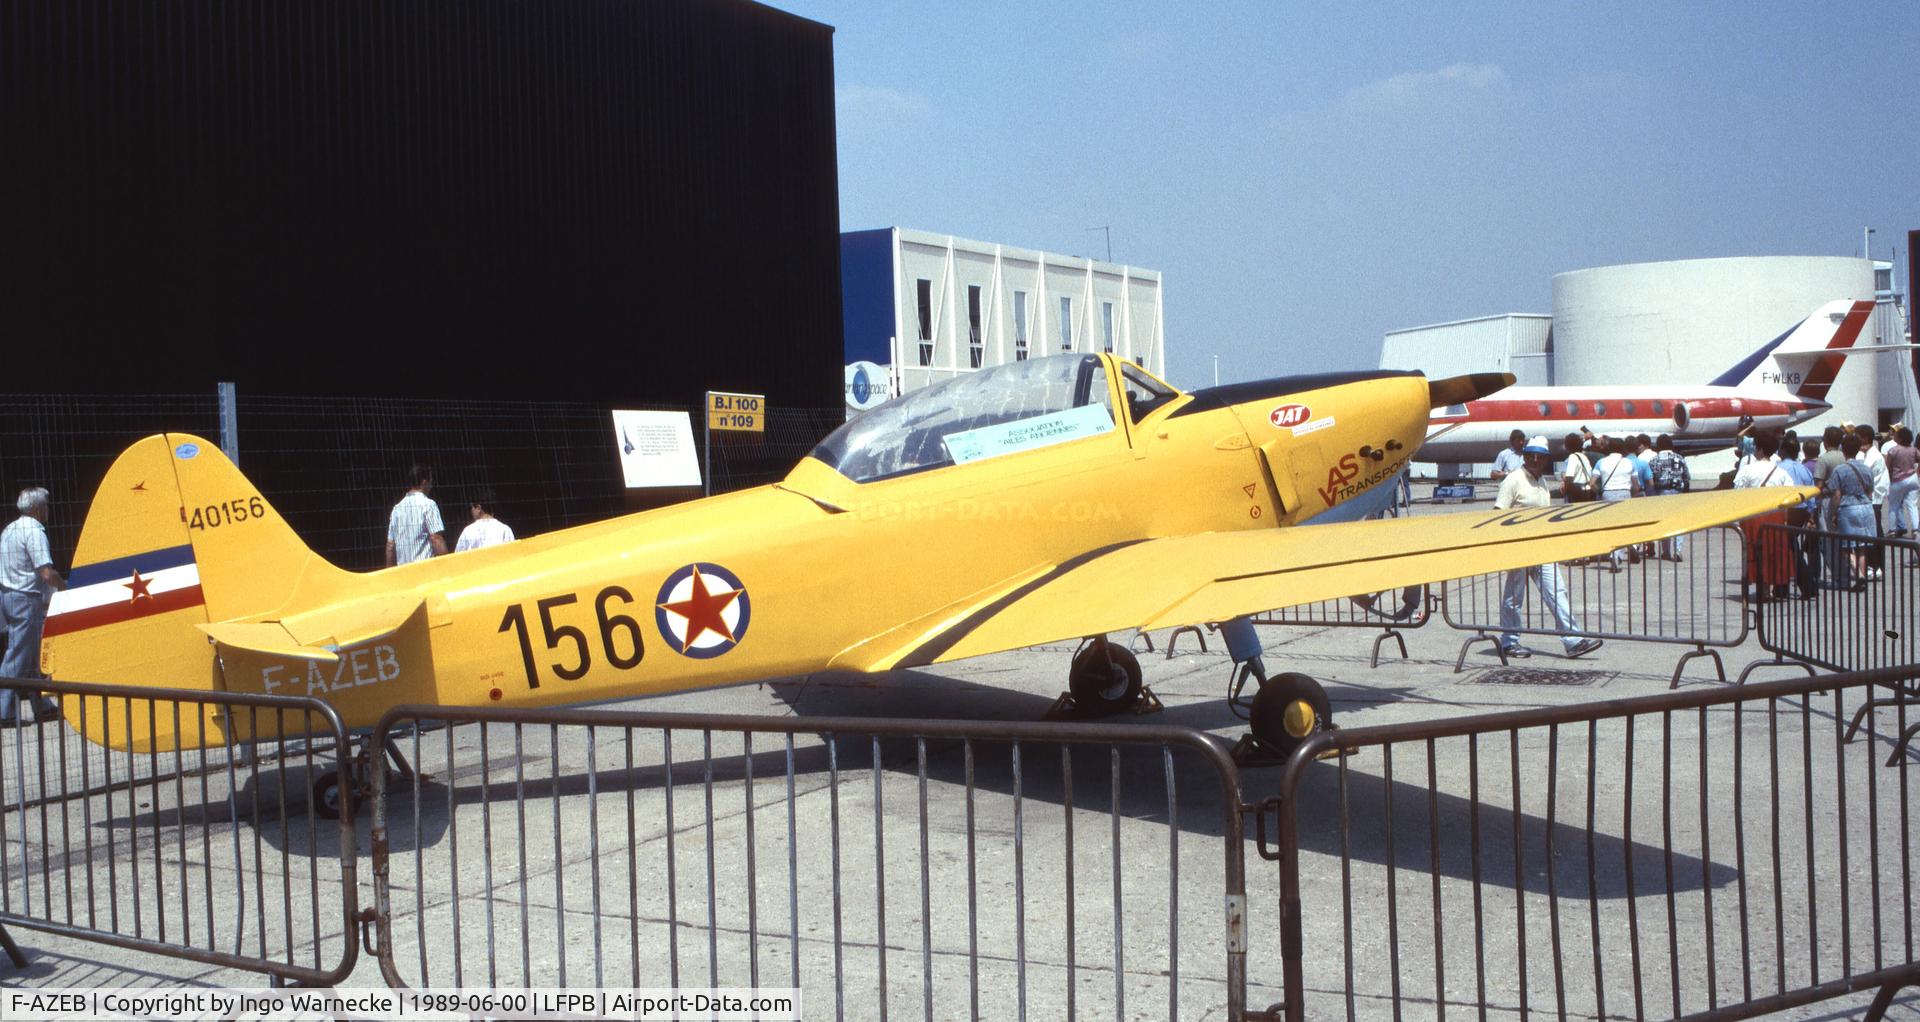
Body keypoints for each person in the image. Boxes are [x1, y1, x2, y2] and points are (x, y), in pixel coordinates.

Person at [1493, 437, 1602, 660]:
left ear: (1545, 460)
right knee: (1514, 597)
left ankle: (1573, 640)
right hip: (1519, 549)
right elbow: (1497, 514)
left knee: (1557, 592)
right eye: (1530, 456)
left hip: (1542, 548)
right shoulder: (1513, 480)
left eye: (1540, 457)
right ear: (1524, 457)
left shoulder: (1541, 481)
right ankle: (1509, 642)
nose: (1535, 460)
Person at [0, 487, 66, 723]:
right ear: (38, 508)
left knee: (30, 655)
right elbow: (46, 573)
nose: (48, 510)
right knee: (17, 655)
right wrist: (64, 585)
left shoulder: (10, 529)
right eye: (46, 505)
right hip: (25, 599)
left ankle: (42, 705)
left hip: (8, 595)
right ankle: (3, 710)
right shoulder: (35, 531)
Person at [1732, 434, 1799, 600]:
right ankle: (1769, 588)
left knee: (1755, 550)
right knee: (1774, 552)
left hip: (1753, 514)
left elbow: (1737, 492)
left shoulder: (1747, 470)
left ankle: (1762, 588)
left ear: (1760, 449)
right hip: (1775, 515)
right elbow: (1789, 496)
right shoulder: (1781, 472)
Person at [1825, 434, 1876, 589]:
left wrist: (1833, 513)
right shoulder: (1866, 469)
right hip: (1866, 507)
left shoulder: (1839, 470)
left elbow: (1836, 495)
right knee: (1862, 547)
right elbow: (1870, 492)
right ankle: (1862, 576)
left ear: (1843, 450)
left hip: (1848, 508)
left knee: (1846, 547)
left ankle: (1859, 576)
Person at [385, 464, 447, 567]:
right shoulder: (428, 504)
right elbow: (436, 538)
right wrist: (447, 566)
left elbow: (390, 546)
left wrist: (389, 573)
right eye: (431, 481)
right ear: (424, 481)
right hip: (424, 570)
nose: (431, 485)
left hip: (403, 572)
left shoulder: (396, 509)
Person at [1592, 437, 1639, 569]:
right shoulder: (1629, 463)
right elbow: (1636, 486)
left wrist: (1600, 492)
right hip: (1625, 493)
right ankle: (1624, 551)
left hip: (1607, 493)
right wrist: (1632, 495)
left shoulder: (1601, 462)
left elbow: (1592, 483)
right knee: (1624, 525)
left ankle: (1614, 552)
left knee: (1611, 526)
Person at [1647, 434, 1691, 560]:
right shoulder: (1679, 458)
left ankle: (1665, 552)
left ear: (1658, 445)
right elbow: (1687, 477)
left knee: (1664, 522)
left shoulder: (1654, 460)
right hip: (1677, 491)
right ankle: (1677, 550)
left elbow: (1652, 478)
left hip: (1661, 492)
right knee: (1679, 521)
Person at [1856, 424, 1890, 580]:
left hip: (1873, 499)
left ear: (1864, 438)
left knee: (1874, 533)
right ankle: (1874, 565)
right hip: (1873, 498)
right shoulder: (1868, 453)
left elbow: (1863, 473)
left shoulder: (1873, 456)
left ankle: (1876, 566)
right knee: (1873, 532)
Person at [1885, 427, 1918, 566]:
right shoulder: (1913, 450)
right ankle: (1916, 529)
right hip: (1912, 478)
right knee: (1912, 505)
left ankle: (1893, 529)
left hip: (1898, 479)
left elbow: (1888, 465)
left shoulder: (1894, 450)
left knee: (1894, 505)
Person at [455, 487, 516, 552]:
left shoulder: (468, 531)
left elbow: (457, 557)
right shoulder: (505, 529)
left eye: (471, 507)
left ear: (478, 508)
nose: (471, 511)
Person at [1560, 433, 1595, 503]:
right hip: (1586, 489)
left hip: (1576, 491)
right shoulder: (1584, 457)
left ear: (1568, 446)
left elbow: (1569, 477)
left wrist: (1565, 490)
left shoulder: (1572, 457)